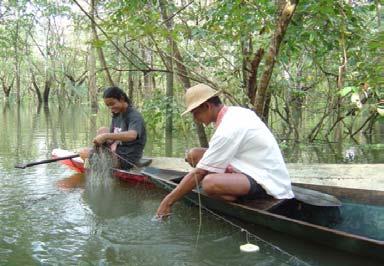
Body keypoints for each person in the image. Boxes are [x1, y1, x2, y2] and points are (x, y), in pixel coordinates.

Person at [156, 83, 294, 218]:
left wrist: (168, 202)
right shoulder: (236, 112)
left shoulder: (228, 129)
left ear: (207, 106)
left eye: (195, 113)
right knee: (194, 155)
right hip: (247, 166)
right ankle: (232, 188)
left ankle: (237, 194)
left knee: (209, 183)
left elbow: (199, 172)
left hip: (266, 181)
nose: (195, 119)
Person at [79, 86, 147, 170]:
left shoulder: (134, 116)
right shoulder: (117, 114)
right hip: (117, 152)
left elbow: (132, 135)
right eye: (108, 106)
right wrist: (103, 140)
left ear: (122, 99)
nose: (111, 108)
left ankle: (98, 164)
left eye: (112, 104)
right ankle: (98, 160)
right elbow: (112, 138)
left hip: (127, 159)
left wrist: (105, 136)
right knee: (102, 130)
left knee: (83, 152)